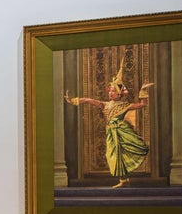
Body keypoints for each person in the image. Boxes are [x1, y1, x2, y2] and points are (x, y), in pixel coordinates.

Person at [64, 58, 153, 188]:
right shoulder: (105, 104)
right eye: (110, 90)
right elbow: (88, 100)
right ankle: (124, 180)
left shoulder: (125, 105)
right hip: (111, 133)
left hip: (122, 131)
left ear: (119, 94)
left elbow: (142, 104)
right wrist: (73, 100)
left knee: (132, 150)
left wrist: (143, 90)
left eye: (114, 91)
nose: (110, 93)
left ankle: (124, 180)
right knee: (113, 155)